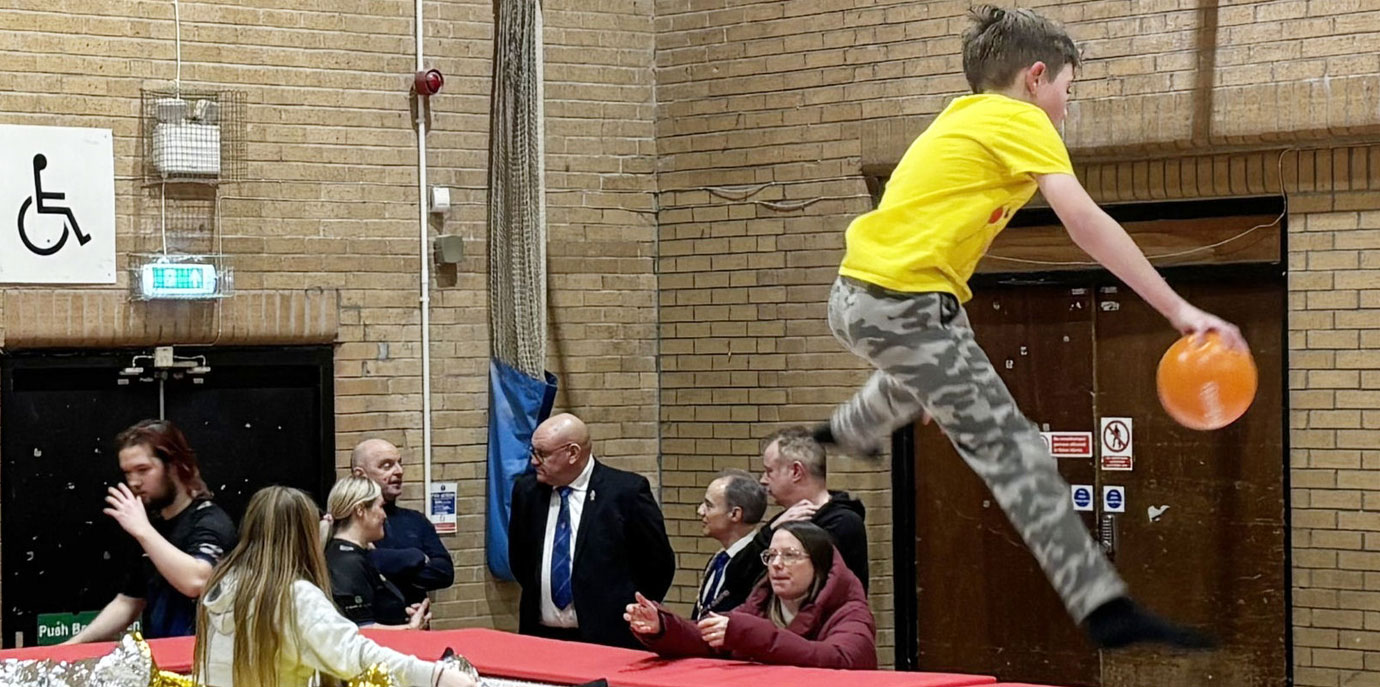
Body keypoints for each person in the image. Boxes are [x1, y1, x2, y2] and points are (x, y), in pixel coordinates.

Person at [813, 5, 1238, 649]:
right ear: (1036, 77)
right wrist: (1179, 310)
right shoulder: (1022, 119)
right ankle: (1104, 608)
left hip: (860, 298)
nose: (1066, 105)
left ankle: (848, 428)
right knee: (1017, 453)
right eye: (1068, 88)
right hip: (903, 305)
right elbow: (1085, 223)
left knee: (939, 368)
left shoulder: (962, 115)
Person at [193, 486, 477, 687]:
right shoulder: (296, 597)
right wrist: (436, 677)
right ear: (304, 535)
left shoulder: (223, 583)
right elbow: (358, 654)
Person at [508, 413, 676, 648]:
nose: (534, 461)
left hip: (609, 640)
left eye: (542, 454)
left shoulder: (626, 493)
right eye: (533, 452)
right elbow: (520, 560)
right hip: (541, 636)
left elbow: (658, 566)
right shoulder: (527, 492)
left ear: (573, 453)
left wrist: (628, 610)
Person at [65, 419, 237, 643]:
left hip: (206, 655)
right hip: (163, 655)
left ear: (175, 466)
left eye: (143, 470)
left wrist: (143, 530)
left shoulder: (210, 521)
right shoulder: (150, 527)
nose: (134, 482)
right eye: (127, 473)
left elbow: (197, 581)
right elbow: (129, 601)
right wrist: (71, 646)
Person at [625, 521, 876, 670]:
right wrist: (663, 626)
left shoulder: (849, 610)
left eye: (790, 555)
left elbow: (844, 660)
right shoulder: (761, 602)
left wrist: (752, 635)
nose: (776, 564)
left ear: (820, 565)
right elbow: (710, 638)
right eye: (771, 556)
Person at [753, 428, 869, 590]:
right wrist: (769, 532)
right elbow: (735, 579)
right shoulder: (782, 520)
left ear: (796, 472)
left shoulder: (843, 523)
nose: (763, 480)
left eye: (769, 471)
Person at [351, 438, 455, 605]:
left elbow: (444, 573)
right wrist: (414, 557)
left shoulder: (416, 520)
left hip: (414, 618)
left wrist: (384, 567)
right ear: (360, 475)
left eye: (400, 463)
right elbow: (357, 568)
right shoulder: (347, 521)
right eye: (387, 466)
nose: (399, 471)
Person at [322, 474, 431, 629]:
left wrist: (401, 614)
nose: (384, 515)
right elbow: (361, 630)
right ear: (360, 510)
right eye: (380, 507)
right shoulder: (347, 564)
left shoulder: (358, 556)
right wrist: (411, 628)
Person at [691, 469, 768, 620]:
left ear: (735, 514)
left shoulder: (756, 567)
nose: (700, 511)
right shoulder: (719, 559)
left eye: (709, 505)